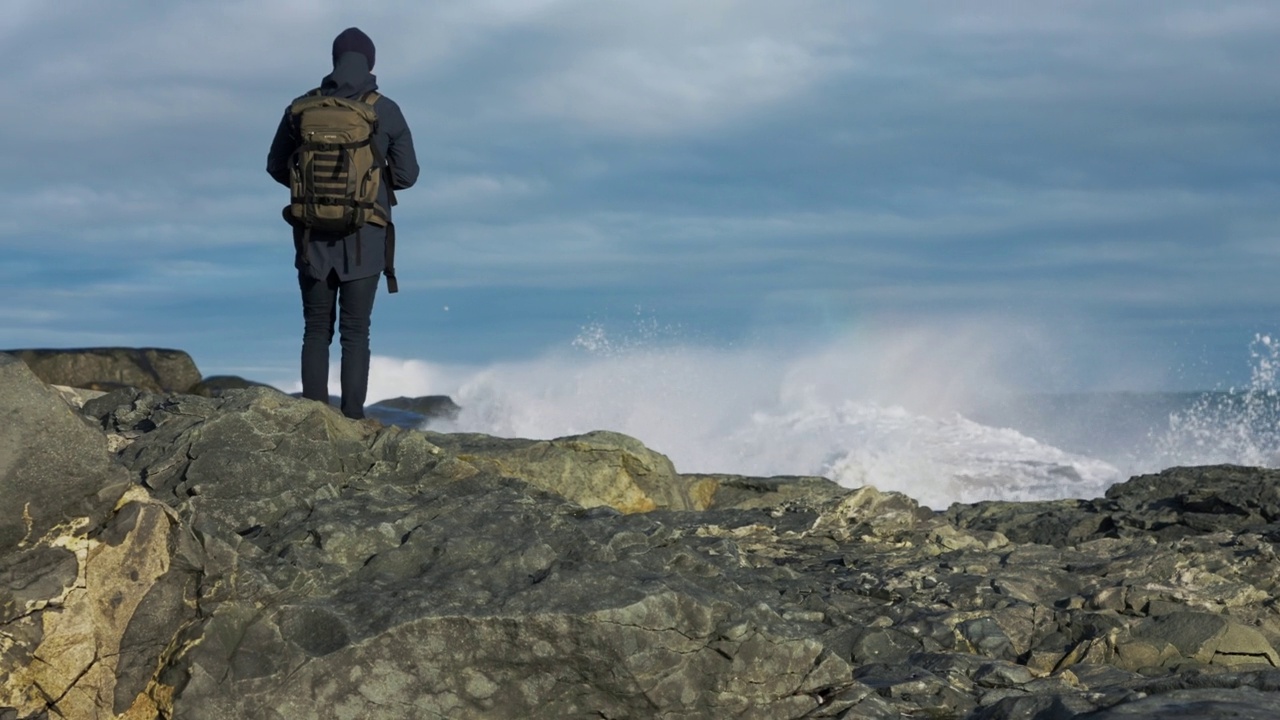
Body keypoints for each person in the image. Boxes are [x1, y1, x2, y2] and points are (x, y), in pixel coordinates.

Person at [267, 28, 419, 419]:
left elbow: (275, 165)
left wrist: (314, 196)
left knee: (316, 329)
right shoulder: (385, 109)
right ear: (370, 62)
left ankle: (314, 418)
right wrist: (370, 184)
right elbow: (409, 174)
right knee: (356, 333)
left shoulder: (301, 108)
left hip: (312, 237)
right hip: (366, 236)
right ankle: (353, 419)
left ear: (334, 60)